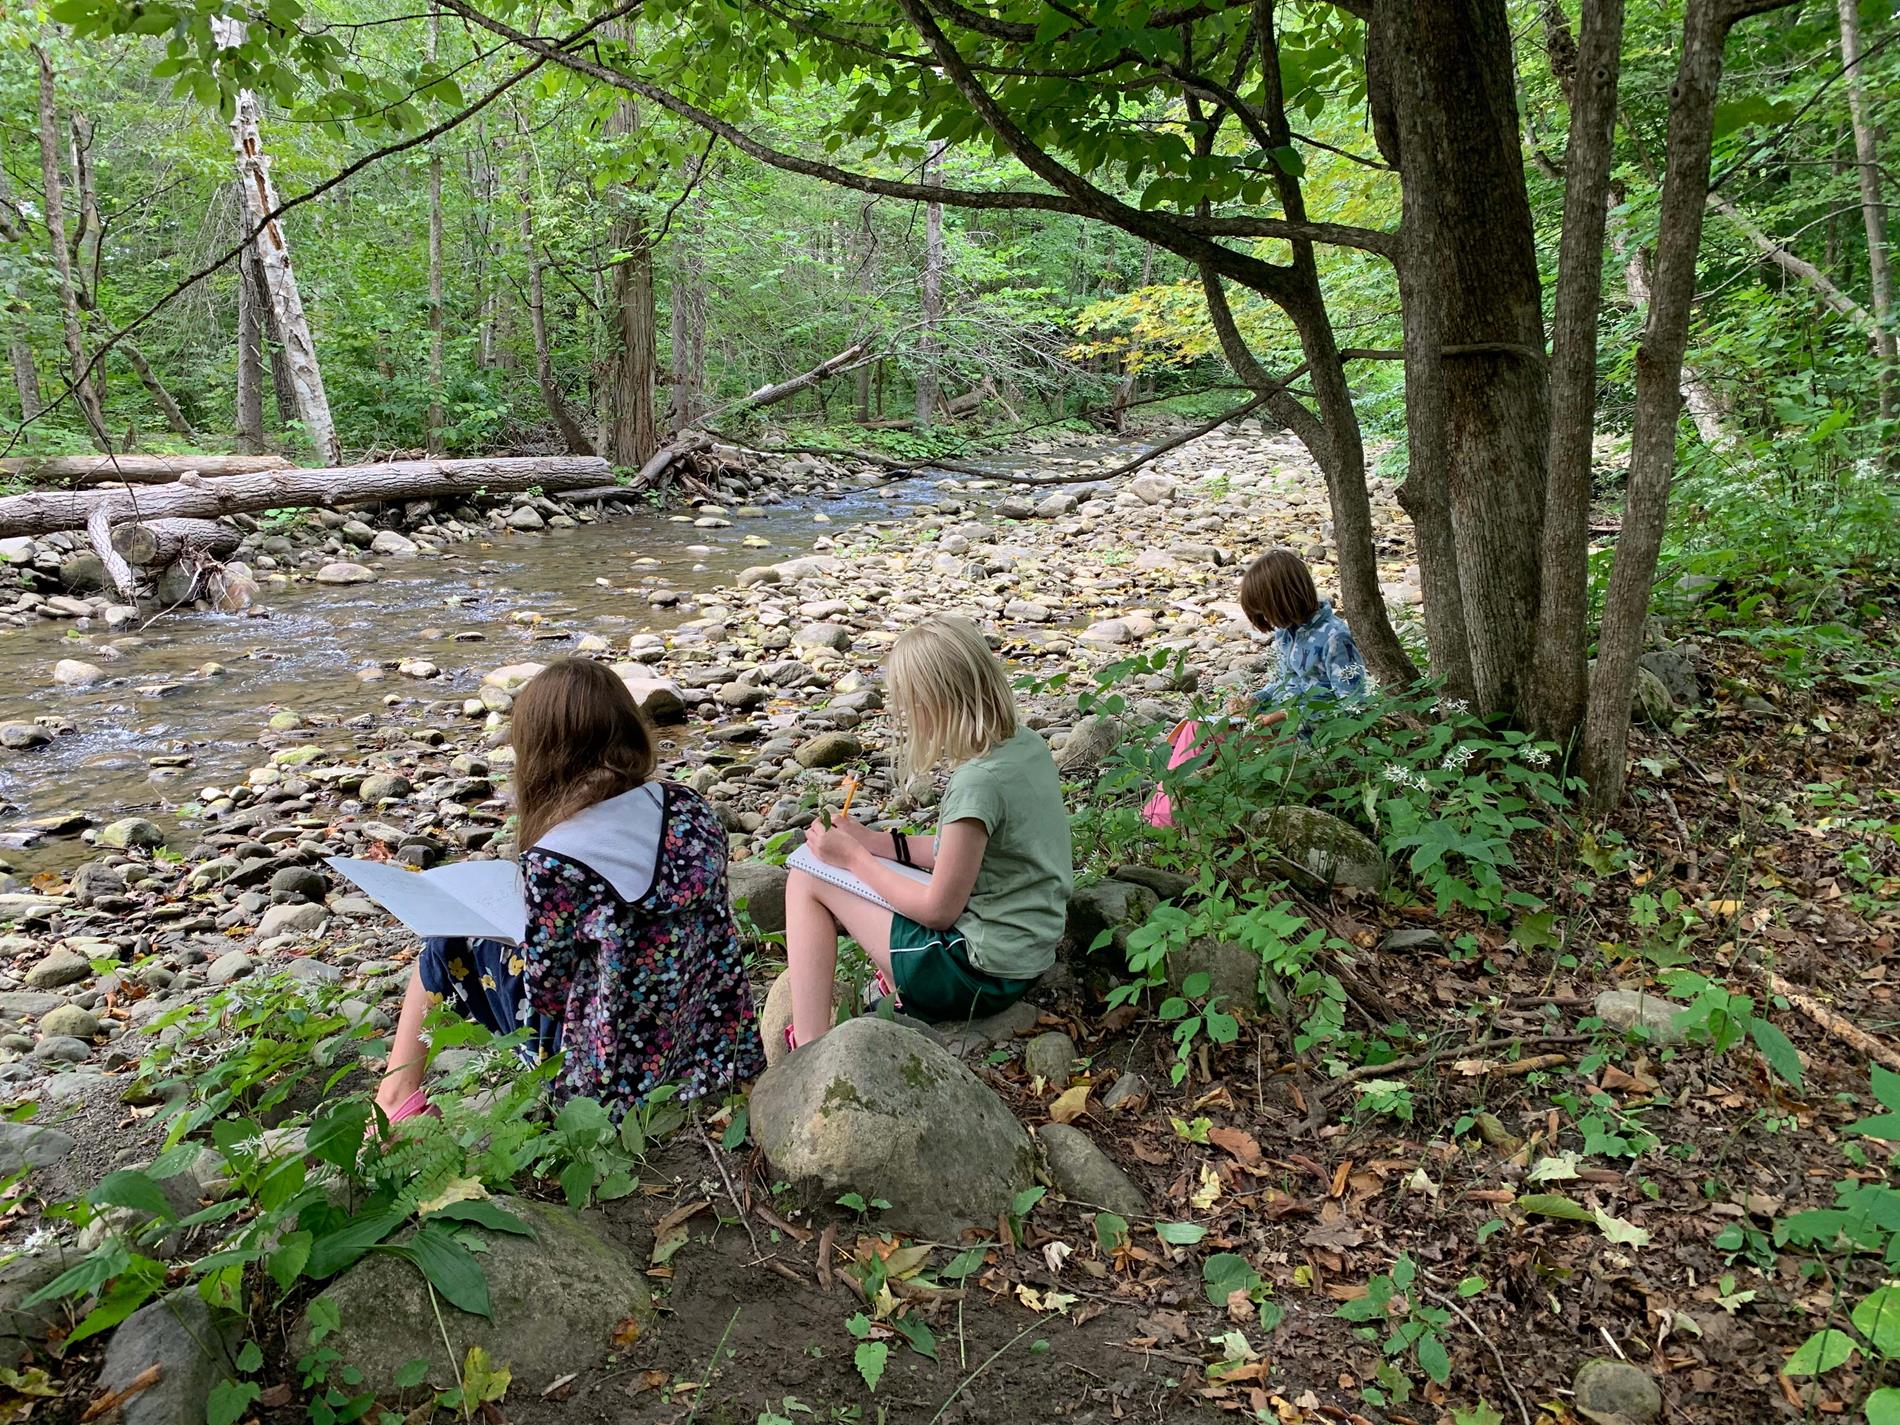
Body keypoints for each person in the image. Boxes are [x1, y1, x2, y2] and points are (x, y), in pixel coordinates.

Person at [373, 658, 764, 1124]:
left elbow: (549, 992)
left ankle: (395, 1094)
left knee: (444, 943)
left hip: (609, 1074)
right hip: (709, 1040)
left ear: (541, 751)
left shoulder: (557, 858)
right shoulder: (688, 807)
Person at [784, 616, 1073, 1048]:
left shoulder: (978, 781)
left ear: (934, 703)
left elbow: (939, 910)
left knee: (807, 878)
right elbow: (953, 855)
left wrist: (852, 858)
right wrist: (871, 841)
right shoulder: (1024, 745)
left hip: (976, 974)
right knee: (867, 869)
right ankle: (889, 985)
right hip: (1023, 953)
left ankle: (809, 1045)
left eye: (907, 704)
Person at [1143, 548, 1365, 828]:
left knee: (1208, 738)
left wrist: (1283, 716)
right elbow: (1284, 683)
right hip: (1277, 723)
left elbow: (1352, 703)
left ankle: (1166, 819)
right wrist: (1255, 700)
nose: (1268, 622)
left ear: (1284, 600)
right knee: (1194, 727)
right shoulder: (1287, 632)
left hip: (1310, 736)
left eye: (1267, 613)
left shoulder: (1335, 638)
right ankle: (1160, 816)